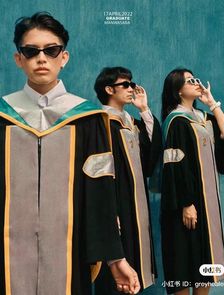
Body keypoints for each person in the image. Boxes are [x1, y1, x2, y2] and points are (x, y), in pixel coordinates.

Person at [0, 12, 140, 295]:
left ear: (64, 57)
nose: (42, 58)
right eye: (31, 51)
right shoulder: (4, 116)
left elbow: (100, 192)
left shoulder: (87, 118)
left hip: (69, 253)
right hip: (6, 254)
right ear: (19, 59)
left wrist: (115, 257)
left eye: (51, 50)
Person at [160, 68, 224, 295]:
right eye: (189, 80)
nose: (196, 82)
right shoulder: (176, 121)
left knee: (205, 263)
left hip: (207, 205)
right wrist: (186, 203)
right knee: (183, 264)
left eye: (196, 79)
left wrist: (211, 102)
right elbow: (174, 165)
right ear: (178, 89)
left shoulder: (203, 119)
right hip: (187, 204)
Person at [94, 67, 162, 294]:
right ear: (109, 89)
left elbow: (152, 157)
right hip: (115, 208)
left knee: (133, 277)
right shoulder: (99, 124)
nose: (132, 88)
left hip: (135, 208)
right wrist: (107, 212)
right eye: (126, 84)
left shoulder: (132, 123)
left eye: (133, 83)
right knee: (113, 280)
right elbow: (97, 174)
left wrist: (144, 110)